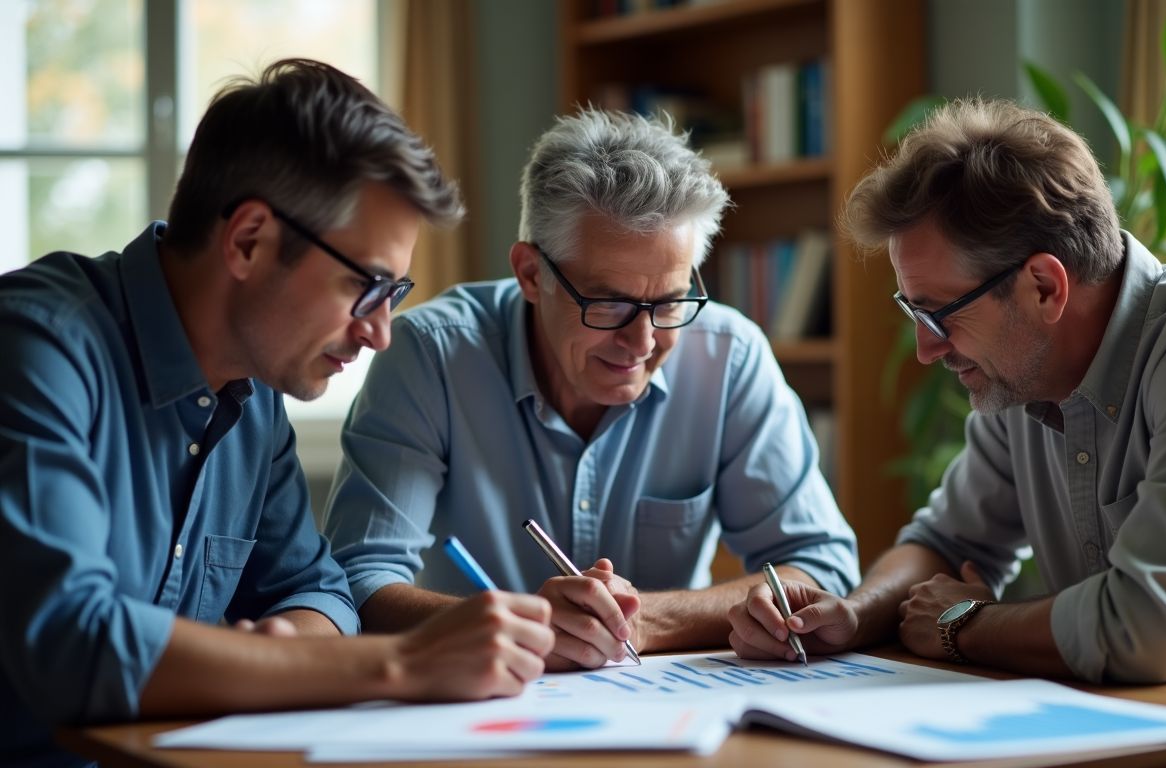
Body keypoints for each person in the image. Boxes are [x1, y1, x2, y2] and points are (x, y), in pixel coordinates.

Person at [0, 59, 554, 768]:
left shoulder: (253, 394)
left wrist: (290, 648)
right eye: (366, 285)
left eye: (396, 291)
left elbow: (316, 590)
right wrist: (404, 665)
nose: (380, 331)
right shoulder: (39, 348)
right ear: (248, 241)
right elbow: (70, 642)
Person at [727, 97, 1166, 691]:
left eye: (940, 314)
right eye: (911, 312)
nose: (926, 349)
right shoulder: (1023, 377)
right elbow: (947, 545)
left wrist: (963, 624)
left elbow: (1151, 627)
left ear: (1045, 287)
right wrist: (855, 617)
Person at [323, 108, 859, 670]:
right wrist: (518, 625)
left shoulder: (729, 357)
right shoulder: (429, 354)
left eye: (670, 302)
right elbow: (358, 580)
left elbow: (819, 564)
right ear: (531, 274)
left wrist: (648, 618)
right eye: (610, 303)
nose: (644, 340)